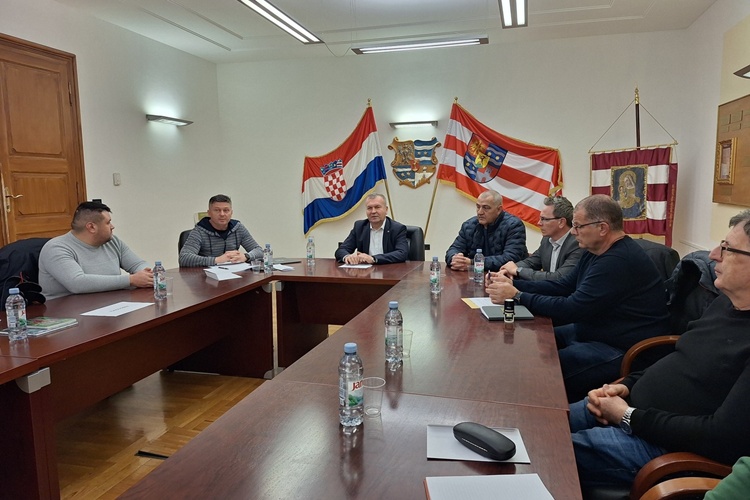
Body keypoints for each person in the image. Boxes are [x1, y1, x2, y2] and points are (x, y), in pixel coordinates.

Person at [570, 209, 750, 489]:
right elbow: (679, 359)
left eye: (727, 248)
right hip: (630, 409)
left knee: (542, 448)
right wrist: (627, 385)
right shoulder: (724, 302)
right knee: (542, 422)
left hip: (664, 448)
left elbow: (721, 436)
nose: (714, 254)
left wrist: (628, 416)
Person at [486, 194, 669, 402]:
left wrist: (518, 296)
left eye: (578, 226)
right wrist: (514, 285)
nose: (573, 232)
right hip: (592, 330)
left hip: (621, 348)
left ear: (602, 228)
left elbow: (571, 308)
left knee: (541, 369)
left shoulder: (618, 260)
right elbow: (563, 286)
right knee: (532, 342)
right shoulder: (595, 250)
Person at [38, 201, 152, 300]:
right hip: (66, 311)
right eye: (108, 222)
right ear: (91, 227)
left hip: (108, 303)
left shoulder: (112, 241)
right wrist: (131, 280)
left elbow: (137, 264)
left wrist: (147, 276)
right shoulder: (56, 248)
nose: (112, 226)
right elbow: (77, 283)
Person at [499, 195, 582, 281]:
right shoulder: (547, 240)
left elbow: (558, 278)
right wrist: (508, 269)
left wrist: (518, 270)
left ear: (561, 222)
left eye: (544, 219)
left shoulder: (577, 243)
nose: (539, 223)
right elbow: (531, 262)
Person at [445, 190, 526, 272]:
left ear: (499, 210)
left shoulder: (514, 225)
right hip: (475, 275)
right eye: (478, 207)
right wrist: (455, 258)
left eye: (486, 208)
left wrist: (473, 263)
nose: (480, 212)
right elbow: (454, 249)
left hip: (506, 277)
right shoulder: (469, 225)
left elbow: (510, 259)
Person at [179, 194, 263, 267]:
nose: (222, 214)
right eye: (217, 210)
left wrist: (246, 256)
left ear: (231, 213)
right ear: (209, 213)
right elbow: (184, 258)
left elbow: (259, 251)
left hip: (234, 273)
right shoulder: (199, 231)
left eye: (226, 210)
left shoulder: (238, 228)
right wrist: (217, 260)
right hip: (207, 276)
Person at [334, 193, 408, 265]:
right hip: (365, 271)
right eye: (369, 208)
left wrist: (374, 259)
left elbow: (402, 253)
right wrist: (347, 257)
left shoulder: (397, 228)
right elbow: (341, 250)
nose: (373, 211)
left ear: (386, 209)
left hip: (389, 270)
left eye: (377, 207)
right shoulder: (359, 227)